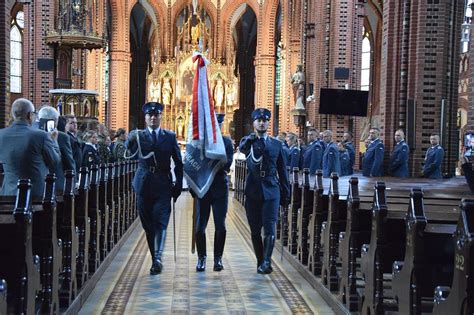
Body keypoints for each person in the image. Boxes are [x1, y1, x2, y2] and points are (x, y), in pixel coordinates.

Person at [126, 102, 183, 275]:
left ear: (160, 117)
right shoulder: (138, 135)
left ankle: (157, 258)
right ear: (145, 118)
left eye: (156, 115)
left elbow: (179, 162)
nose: (153, 117)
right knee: (148, 225)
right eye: (150, 115)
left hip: (163, 184)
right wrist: (129, 141)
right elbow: (130, 154)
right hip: (144, 184)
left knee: (161, 221)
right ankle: (154, 257)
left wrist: (178, 184)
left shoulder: (170, 136)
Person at [239, 108, 290, 274]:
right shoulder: (248, 142)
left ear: (269, 123)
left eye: (265, 120)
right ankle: (260, 260)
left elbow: (283, 171)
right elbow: (242, 148)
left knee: (270, 227)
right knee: (255, 229)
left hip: (271, 189)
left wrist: (286, 194)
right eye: (258, 120)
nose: (262, 122)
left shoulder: (276, 144)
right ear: (254, 123)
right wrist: (250, 139)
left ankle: (267, 261)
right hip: (253, 189)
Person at [192, 114, 234, 272]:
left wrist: (209, 163)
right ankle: (201, 258)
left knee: (220, 225)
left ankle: (218, 258)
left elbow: (227, 163)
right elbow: (193, 164)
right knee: (199, 226)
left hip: (219, 188)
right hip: (203, 188)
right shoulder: (199, 143)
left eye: (218, 124)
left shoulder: (226, 142)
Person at [0, 98, 60, 196]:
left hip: (9, 194)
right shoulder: (41, 136)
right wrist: (54, 141)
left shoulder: (1, 135)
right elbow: (54, 162)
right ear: (29, 115)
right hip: (35, 196)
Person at [38, 105, 75, 191]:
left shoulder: (33, 135)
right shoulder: (62, 137)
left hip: (37, 183)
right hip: (57, 182)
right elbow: (69, 162)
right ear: (56, 121)